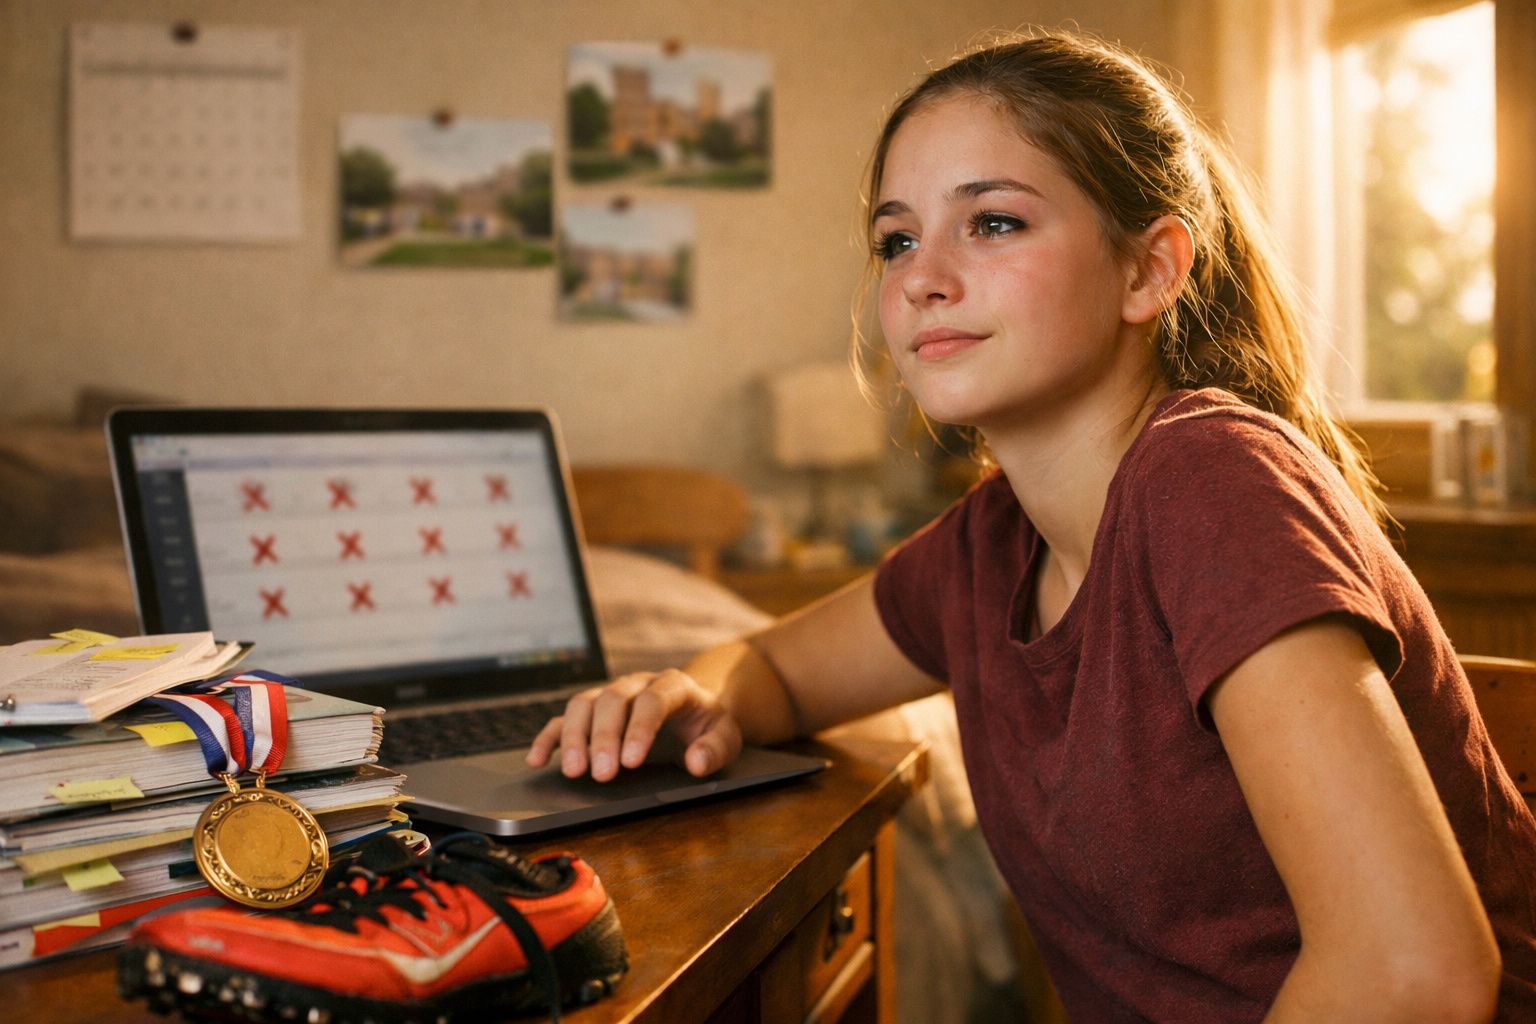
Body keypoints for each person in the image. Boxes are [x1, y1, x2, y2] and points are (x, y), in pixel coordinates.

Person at [528, 29, 1536, 1022]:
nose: (922, 275)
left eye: (994, 223)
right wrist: (683, 694)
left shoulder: (1214, 479)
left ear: (1150, 271)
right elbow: (771, 669)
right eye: (896, 238)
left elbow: (1415, 975)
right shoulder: (988, 543)